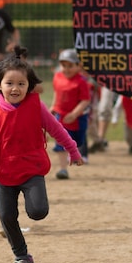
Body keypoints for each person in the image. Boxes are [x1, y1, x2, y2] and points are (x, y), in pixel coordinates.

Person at [0, 46, 83, 263]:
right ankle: (22, 257)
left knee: (37, 212)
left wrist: (73, 151)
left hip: (31, 170)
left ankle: (32, 207)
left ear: (29, 86)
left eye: (21, 84)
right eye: (9, 83)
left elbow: (56, 129)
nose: (15, 88)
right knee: (6, 217)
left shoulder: (35, 105)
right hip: (4, 173)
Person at [50, 49, 91, 178]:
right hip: (61, 116)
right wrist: (54, 106)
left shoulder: (81, 81)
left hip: (78, 118)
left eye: (70, 66)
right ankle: (63, 169)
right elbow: (57, 92)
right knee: (60, 142)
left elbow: (85, 100)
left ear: (78, 66)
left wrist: (74, 114)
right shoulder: (57, 77)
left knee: (77, 141)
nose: (66, 69)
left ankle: (77, 153)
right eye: (64, 66)